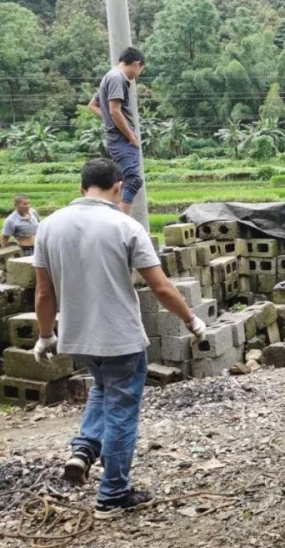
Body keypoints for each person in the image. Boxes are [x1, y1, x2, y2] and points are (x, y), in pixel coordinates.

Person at [33, 158, 206, 519]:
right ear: (116, 188)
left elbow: (44, 294)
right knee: (122, 413)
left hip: (77, 337)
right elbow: (159, 286)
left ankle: (82, 449)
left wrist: (45, 335)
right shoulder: (124, 225)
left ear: (82, 188)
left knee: (101, 388)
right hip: (120, 339)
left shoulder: (48, 227)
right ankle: (113, 494)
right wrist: (191, 320)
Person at [88, 47, 146, 216]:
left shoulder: (110, 76)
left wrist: (109, 120)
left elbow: (93, 105)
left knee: (120, 183)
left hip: (117, 138)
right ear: (136, 64)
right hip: (122, 139)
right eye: (141, 70)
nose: (139, 74)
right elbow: (114, 110)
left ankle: (114, 219)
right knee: (133, 181)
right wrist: (131, 136)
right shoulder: (117, 78)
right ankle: (121, 222)